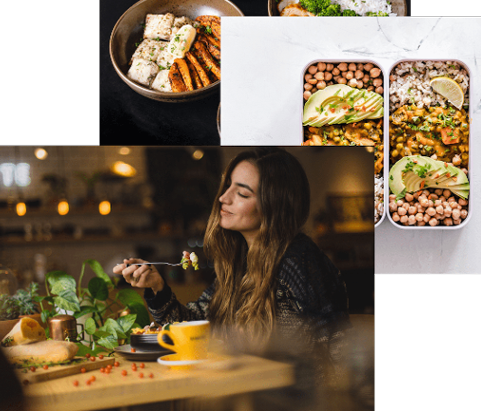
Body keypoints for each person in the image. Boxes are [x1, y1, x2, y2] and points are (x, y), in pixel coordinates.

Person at [113, 147, 350, 387]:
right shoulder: (240, 262)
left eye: (243, 194)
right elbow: (197, 326)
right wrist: (157, 286)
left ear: (274, 205)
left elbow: (337, 347)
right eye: (228, 186)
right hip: (245, 390)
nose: (223, 198)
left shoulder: (298, 259)